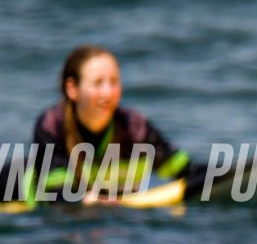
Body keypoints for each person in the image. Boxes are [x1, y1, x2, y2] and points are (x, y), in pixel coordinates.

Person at [23, 45, 188, 203]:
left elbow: (188, 171)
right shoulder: (52, 126)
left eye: (114, 82)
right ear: (72, 89)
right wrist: (92, 204)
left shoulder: (136, 129)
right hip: (19, 193)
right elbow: (57, 196)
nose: (108, 93)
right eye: (98, 83)